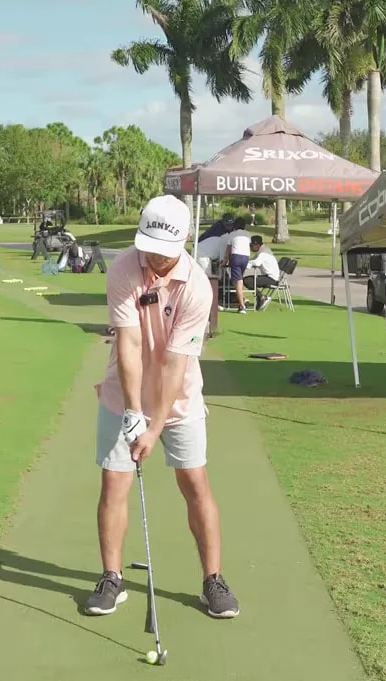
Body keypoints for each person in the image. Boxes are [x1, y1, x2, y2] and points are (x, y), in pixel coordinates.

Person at [83, 193, 241, 621]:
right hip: (122, 394)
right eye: (148, 246)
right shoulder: (123, 269)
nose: (153, 257)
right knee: (114, 485)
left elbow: (176, 363)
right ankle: (112, 578)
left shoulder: (196, 288)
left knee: (194, 483)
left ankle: (213, 580)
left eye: (162, 251)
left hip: (180, 398)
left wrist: (153, 428)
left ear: (186, 239)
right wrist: (134, 411)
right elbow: (129, 343)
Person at [195, 231, 229, 337]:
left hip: (203, 254)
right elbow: (223, 261)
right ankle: (210, 303)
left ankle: (211, 303)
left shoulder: (220, 240)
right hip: (202, 255)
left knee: (206, 280)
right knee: (207, 281)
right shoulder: (224, 243)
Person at [222, 218, 252, 313]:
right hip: (246, 257)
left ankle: (242, 306)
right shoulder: (248, 234)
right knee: (237, 280)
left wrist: (224, 261)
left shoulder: (232, 234)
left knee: (238, 281)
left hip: (236, 257)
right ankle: (242, 298)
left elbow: (228, 250)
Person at [244, 235, 282, 310]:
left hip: (271, 278)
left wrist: (245, 264)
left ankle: (261, 297)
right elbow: (253, 260)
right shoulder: (261, 251)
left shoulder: (264, 252)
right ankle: (260, 297)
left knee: (247, 281)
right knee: (248, 280)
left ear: (257, 245)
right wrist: (246, 263)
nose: (250, 248)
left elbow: (256, 263)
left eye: (251, 246)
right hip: (269, 276)